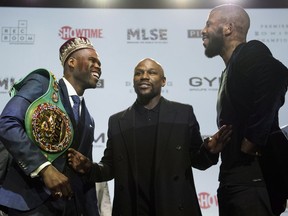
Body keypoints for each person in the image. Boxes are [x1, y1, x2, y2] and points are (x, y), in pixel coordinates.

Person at [67, 57, 232, 216]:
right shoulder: (117, 121)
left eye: (151, 72)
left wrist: (210, 151)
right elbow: (110, 167)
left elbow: (198, 160)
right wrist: (90, 168)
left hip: (174, 208)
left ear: (163, 81)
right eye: (138, 73)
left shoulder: (183, 114)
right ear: (133, 80)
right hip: (132, 209)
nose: (144, 77)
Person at [0, 37, 109, 215]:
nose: (98, 66)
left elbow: (85, 178)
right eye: (92, 60)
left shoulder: (89, 119)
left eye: (100, 63)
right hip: (29, 203)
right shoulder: (43, 85)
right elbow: (7, 123)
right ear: (71, 63)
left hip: (68, 209)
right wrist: (43, 168)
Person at [201, 4, 288, 216]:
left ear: (228, 28)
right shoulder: (231, 68)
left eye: (208, 24)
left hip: (251, 178)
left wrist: (253, 138)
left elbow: (277, 73)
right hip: (236, 179)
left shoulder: (249, 52)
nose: (203, 30)